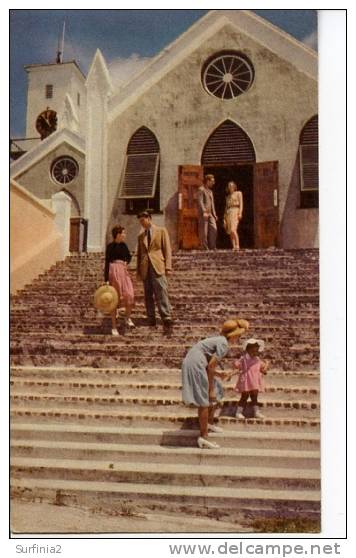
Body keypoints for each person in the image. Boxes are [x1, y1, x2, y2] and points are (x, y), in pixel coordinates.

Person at [181, 318, 249, 449]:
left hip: (196, 361)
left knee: (217, 389)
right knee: (205, 400)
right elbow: (210, 367)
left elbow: (209, 366)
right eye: (239, 335)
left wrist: (219, 375)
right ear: (233, 335)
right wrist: (210, 389)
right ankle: (203, 437)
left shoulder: (219, 340)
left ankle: (209, 424)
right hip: (195, 364)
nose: (239, 338)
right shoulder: (224, 344)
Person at [136, 211, 173, 334]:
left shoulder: (161, 231)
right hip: (145, 267)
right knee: (148, 294)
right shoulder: (141, 237)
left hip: (158, 265)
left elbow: (167, 249)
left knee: (161, 291)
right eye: (140, 221)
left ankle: (166, 316)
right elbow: (140, 255)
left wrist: (168, 266)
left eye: (143, 220)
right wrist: (139, 272)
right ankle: (150, 317)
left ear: (149, 219)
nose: (142, 223)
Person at [104, 225, 135, 335]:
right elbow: (107, 262)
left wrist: (126, 262)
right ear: (118, 234)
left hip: (123, 271)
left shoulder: (124, 246)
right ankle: (113, 327)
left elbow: (129, 256)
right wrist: (106, 279)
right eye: (123, 233)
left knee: (129, 295)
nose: (125, 235)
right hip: (114, 272)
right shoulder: (110, 247)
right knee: (114, 299)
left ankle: (127, 318)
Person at [227, 338, 268, 419]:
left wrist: (266, 365)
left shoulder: (257, 359)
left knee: (254, 397)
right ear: (248, 350)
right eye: (254, 351)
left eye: (257, 351)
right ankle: (238, 412)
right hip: (246, 380)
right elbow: (237, 367)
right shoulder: (243, 359)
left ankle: (256, 412)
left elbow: (263, 370)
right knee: (244, 396)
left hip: (255, 381)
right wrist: (230, 375)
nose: (256, 353)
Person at [197, 174, 218, 250]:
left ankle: (213, 246)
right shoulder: (201, 189)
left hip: (211, 214)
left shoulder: (210, 191)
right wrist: (204, 211)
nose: (213, 183)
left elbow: (212, 203)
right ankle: (205, 247)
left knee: (214, 229)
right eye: (212, 181)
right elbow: (200, 201)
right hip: (204, 213)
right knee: (204, 231)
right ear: (207, 181)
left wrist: (214, 214)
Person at [223, 181, 243, 250]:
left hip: (235, 211)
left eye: (232, 186)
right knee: (230, 231)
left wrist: (240, 213)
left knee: (233, 229)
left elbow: (241, 204)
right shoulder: (228, 197)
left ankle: (238, 245)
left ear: (234, 186)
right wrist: (224, 218)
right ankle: (233, 246)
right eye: (229, 186)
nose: (230, 187)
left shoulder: (239, 193)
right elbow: (226, 207)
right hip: (229, 212)